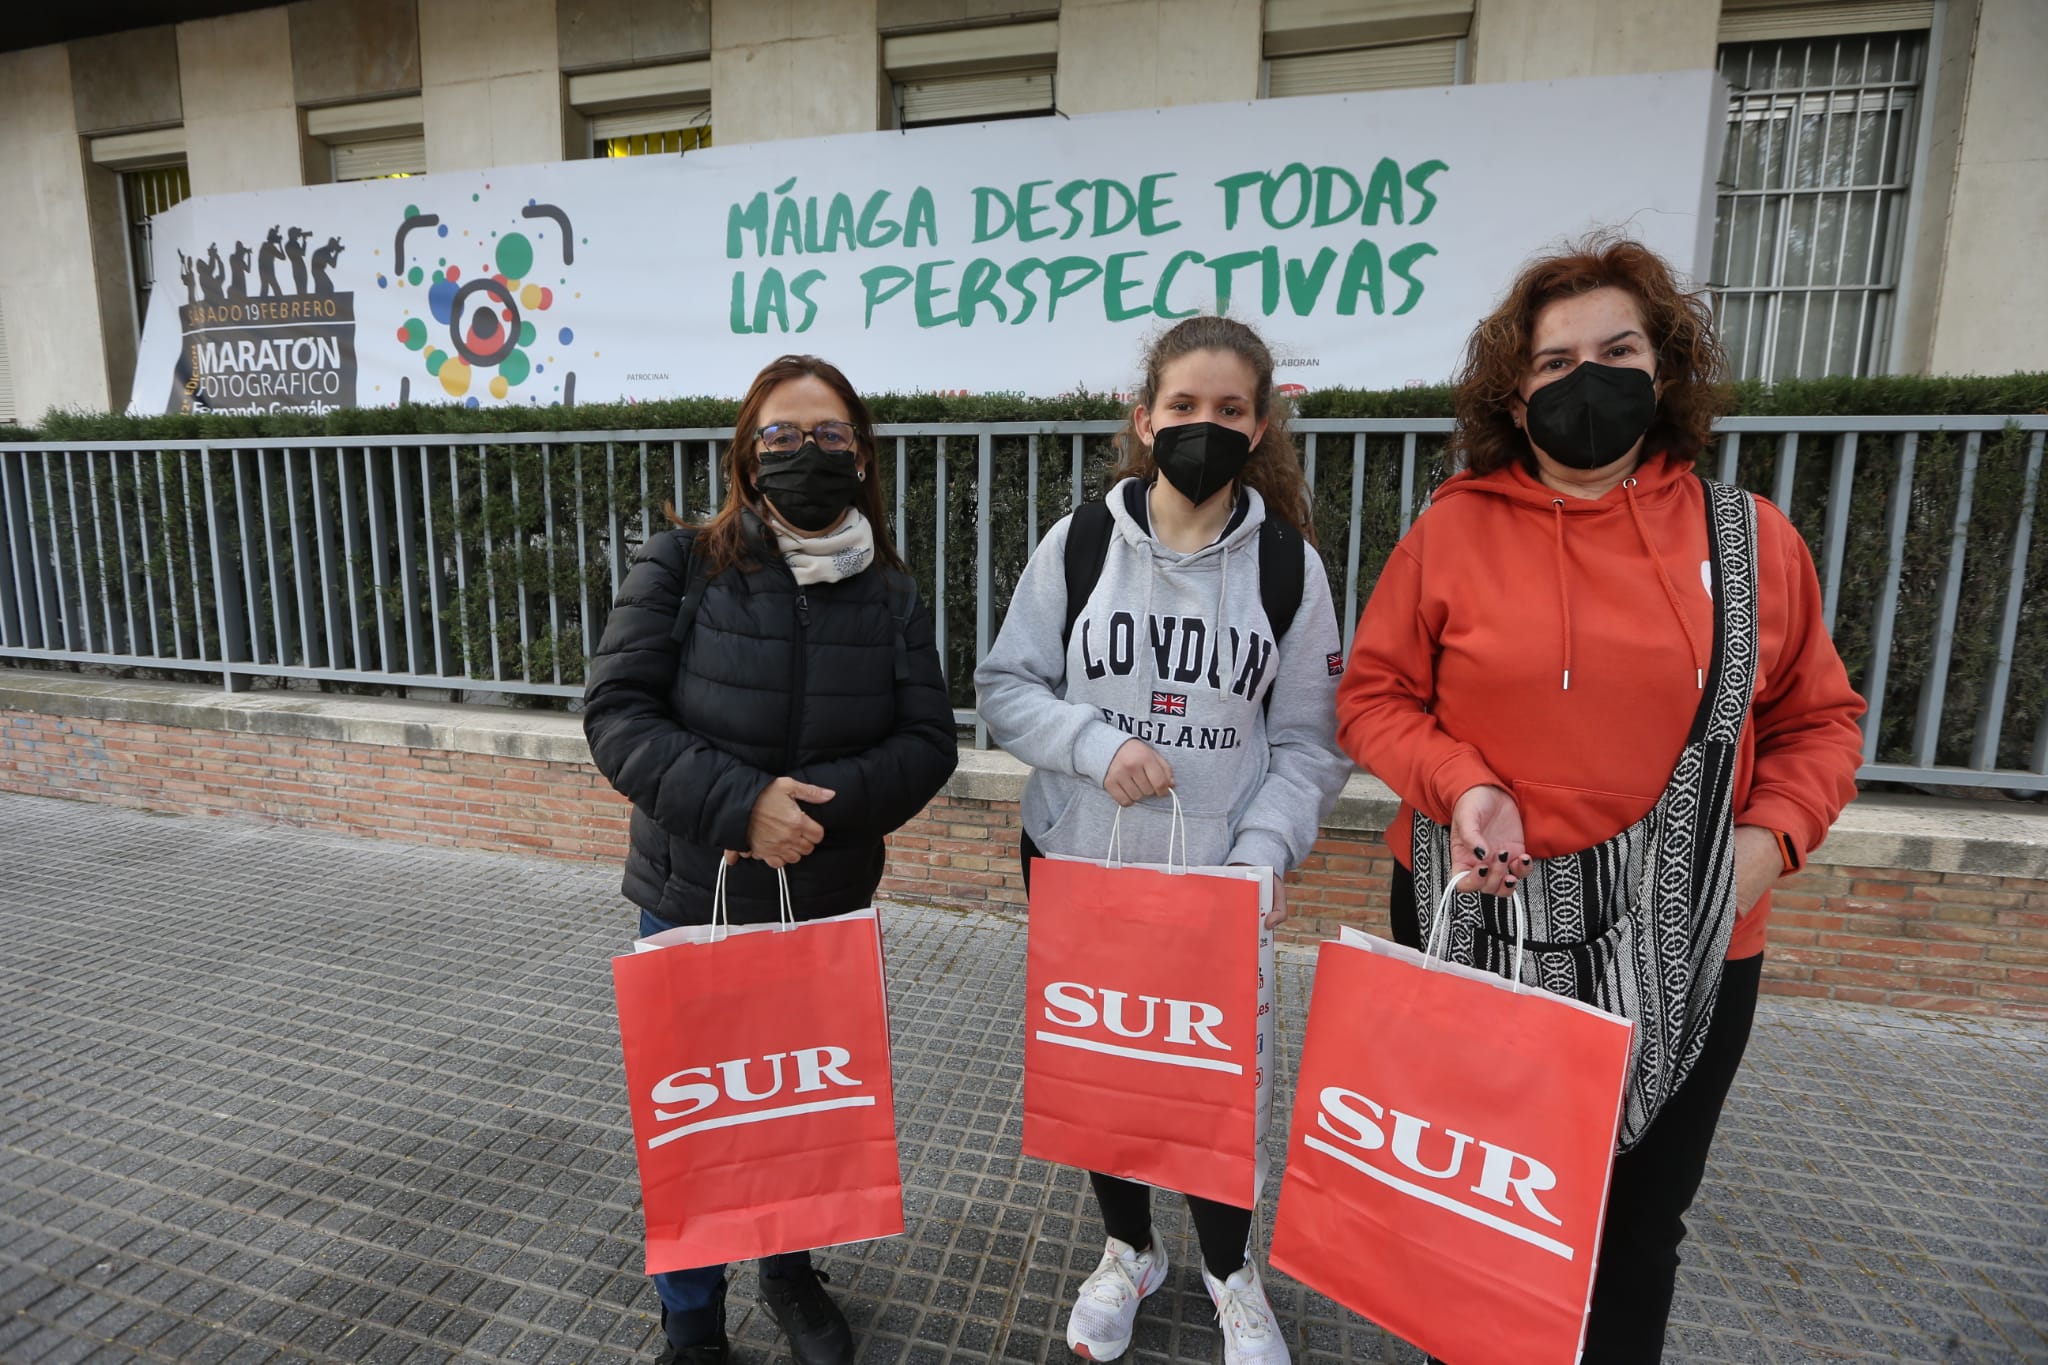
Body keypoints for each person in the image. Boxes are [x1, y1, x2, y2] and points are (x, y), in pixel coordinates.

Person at [1335, 234, 1865, 1363]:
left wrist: (1772, 839)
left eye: (1615, 348)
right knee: (1472, 1203)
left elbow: (1820, 721)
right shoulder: (1449, 530)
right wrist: (1461, 784)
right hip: (1476, 919)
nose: (1586, 378)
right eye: (1551, 360)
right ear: (1512, 394)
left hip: (1695, 940)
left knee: (1635, 1225)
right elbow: (1372, 699)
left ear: (1660, 368)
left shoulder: (1752, 541)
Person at [976, 315, 1352, 1365]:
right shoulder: (1080, 543)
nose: (1203, 426)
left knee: (1212, 1087)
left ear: (1261, 424)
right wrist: (1094, 747)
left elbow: (1310, 743)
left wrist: (1260, 854)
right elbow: (1006, 689)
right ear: (1143, 422)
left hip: (1216, 885)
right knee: (1107, 1075)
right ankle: (1128, 1250)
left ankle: (1232, 1276)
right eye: (1182, 407)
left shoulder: (1288, 567)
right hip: (1082, 863)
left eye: (1228, 410)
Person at [583, 355, 959, 1365]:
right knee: (697, 1122)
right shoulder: (680, 565)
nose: (806, 454)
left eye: (830, 435)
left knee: (801, 1112)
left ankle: (790, 1275)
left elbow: (927, 743)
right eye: (781, 436)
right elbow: (616, 716)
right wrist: (741, 807)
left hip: (822, 903)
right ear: (747, 458)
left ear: (862, 456)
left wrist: (813, 818)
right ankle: (691, 1320)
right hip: (690, 895)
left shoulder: (888, 593)